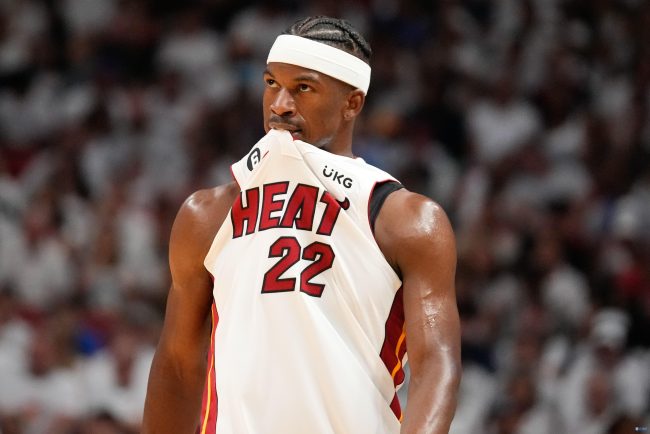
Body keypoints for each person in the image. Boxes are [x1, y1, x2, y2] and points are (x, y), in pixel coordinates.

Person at [142, 16, 461, 434]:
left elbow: (436, 364)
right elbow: (178, 365)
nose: (280, 104)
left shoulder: (405, 219)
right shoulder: (207, 214)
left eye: (303, 88)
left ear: (352, 104)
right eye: (271, 83)